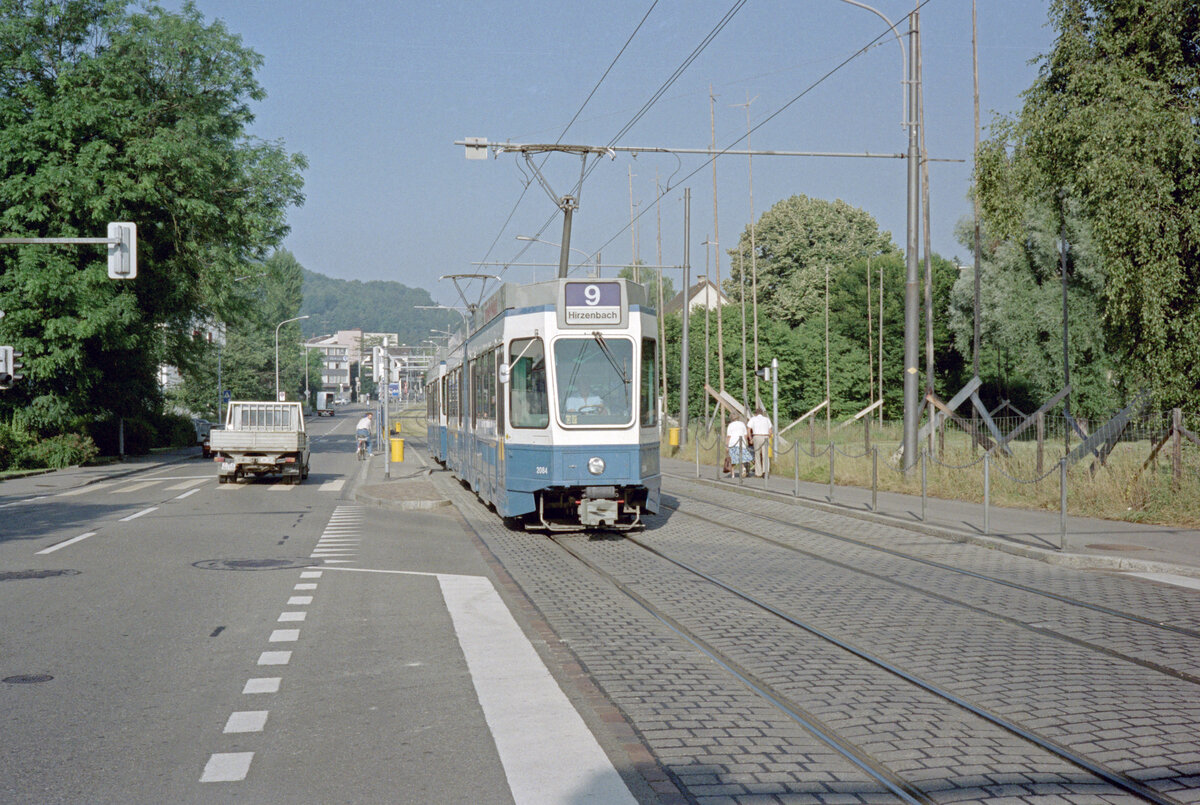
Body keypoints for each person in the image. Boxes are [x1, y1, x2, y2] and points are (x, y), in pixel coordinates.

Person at [748, 406, 773, 477]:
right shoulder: (766, 419)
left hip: (757, 436)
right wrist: (769, 436)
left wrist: (750, 438)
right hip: (765, 436)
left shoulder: (753, 419)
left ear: (756, 413)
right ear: (762, 413)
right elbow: (770, 430)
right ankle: (766, 471)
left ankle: (758, 472)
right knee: (765, 455)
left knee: (757, 455)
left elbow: (748, 429)